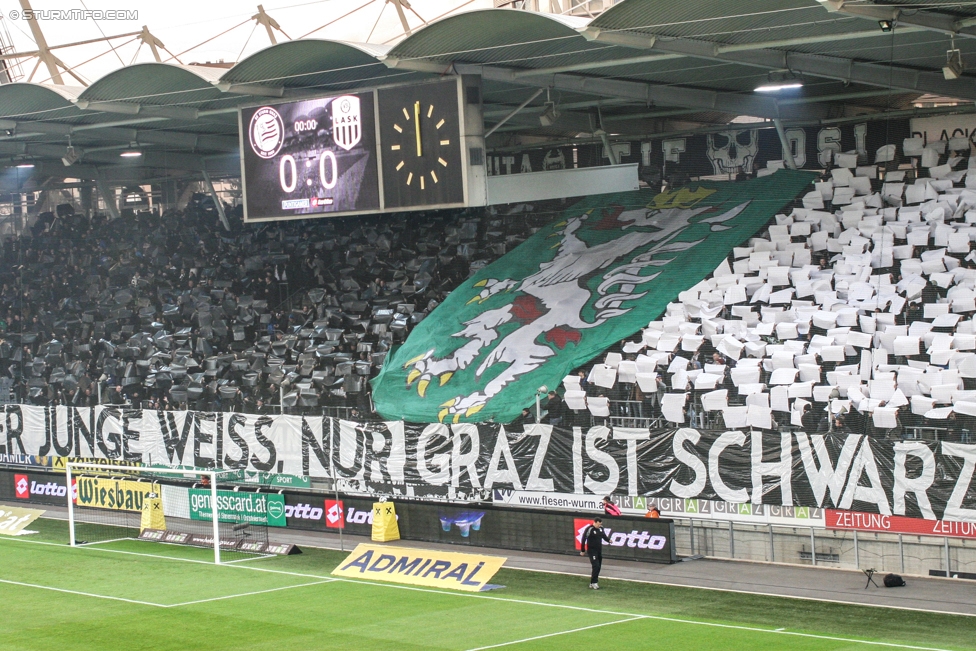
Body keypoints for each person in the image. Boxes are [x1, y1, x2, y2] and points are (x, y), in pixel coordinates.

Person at [579, 517, 611, 589]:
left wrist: (608, 540)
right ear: (595, 522)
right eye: (599, 524)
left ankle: (592, 582)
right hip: (592, 551)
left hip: (599, 550)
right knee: (595, 566)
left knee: (598, 566)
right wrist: (583, 550)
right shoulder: (589, 529)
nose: (600, 525)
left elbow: (603, 536)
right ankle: (594, 582)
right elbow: (583, 539)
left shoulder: (601, 528)